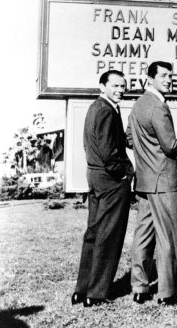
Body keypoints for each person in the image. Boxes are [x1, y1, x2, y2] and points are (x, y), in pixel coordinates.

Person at [126, 61, 177, 305]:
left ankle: (139, 287)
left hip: (144, 181)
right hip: (163, 181)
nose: (168, 79)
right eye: (163, 75)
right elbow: (170, 145)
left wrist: (145, 152)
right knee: (167, 237)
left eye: (170, 75)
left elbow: (129, 138)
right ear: (150, 79)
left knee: (142, 236)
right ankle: (166, 292)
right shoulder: (159, 106)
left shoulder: (137, 106)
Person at [72, 70, 133, 307]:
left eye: (123, 86)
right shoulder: (107, 111)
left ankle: (82, 290)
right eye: (115, 86)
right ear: (102, 86)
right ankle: (95, 294)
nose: (120, 90)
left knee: (93, 234)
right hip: (110, 180)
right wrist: (125, 175)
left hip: (95, 177)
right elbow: (109, 153)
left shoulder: (94, 108)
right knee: (109, 236)